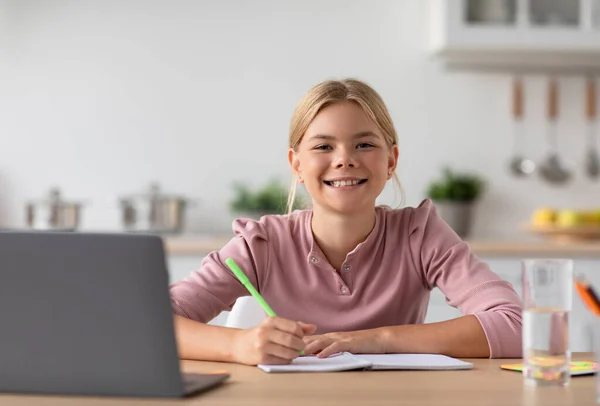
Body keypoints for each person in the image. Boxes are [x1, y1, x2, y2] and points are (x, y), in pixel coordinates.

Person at [169, 78, 522, 366]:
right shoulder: (261, 243)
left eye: (364, 144)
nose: (344, 161)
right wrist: (237, 346)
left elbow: (516, 324)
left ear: (391, 161)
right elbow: (149, 324)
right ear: (296, 165)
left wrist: (378, 339)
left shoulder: (420, 234)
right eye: (323, 147)